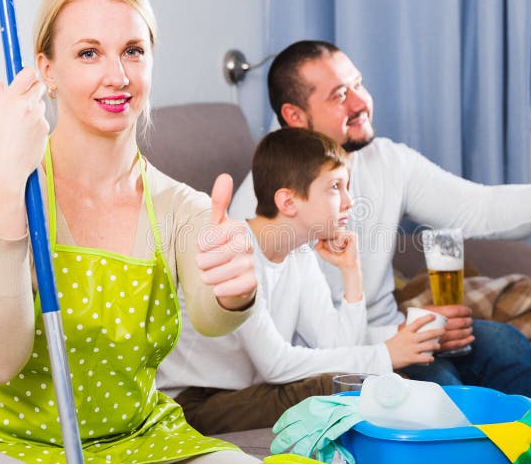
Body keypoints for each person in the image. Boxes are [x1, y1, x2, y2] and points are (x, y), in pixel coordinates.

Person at [0, 0, 294, 464]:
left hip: (135, 430)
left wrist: (234, 290)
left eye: (133, 50)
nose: (117, 74)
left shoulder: (180, 205)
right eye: (89, 52)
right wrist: (3, 191)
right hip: (24, 437)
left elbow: (210, 313)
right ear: (47, 70)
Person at [227, 40, 531, 402]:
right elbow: (284, 347)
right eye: (339, 96)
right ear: (295, 115)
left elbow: (477, 209)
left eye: (359, 85)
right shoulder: (264, 207)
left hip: (390, 334)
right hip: (336, 357)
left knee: (506, 344)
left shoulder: (385, 160)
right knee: (440, 382)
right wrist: (407, 338)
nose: (360, 103)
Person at [158, 128, 443, 433]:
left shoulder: (300, 255)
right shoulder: (237, 252)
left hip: (244, 392)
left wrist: (352, 273)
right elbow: (276, 364)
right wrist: (384, 354)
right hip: (193, 402)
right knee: (342, 389)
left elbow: (339, 346)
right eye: (335, 187)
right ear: (288, 202)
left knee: (361, 382)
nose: (349, 201)